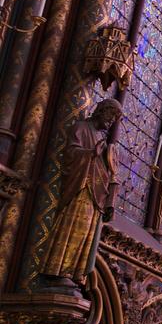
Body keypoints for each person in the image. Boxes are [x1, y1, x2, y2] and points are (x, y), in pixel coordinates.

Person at [40, 98, 122, 291]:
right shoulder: (81, 128)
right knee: (71, 227)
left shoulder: (102, 139)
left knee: (85, 233)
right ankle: (59, 270)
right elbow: (70, 153)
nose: (111, 122)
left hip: (95, 195)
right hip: (80, 188)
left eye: (114, 120)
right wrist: (92, 153)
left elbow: (109, 171)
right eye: (110, 116)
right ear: (101, 111)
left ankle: (74, 272)